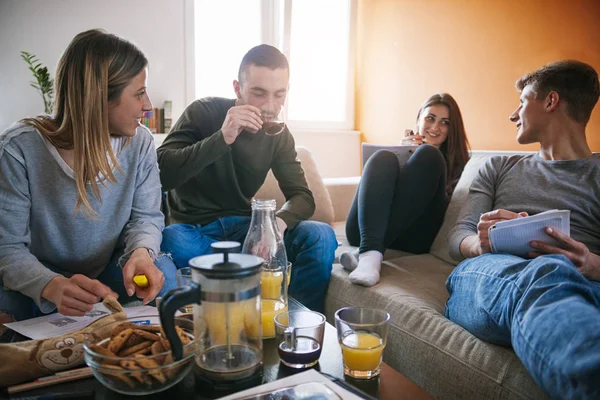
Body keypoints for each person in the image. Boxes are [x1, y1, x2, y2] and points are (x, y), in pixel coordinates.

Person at [0, 29, 177, 328]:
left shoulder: (141, 143)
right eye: (138, 94)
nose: (147, 105)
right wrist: (52, 286)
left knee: (166, 277)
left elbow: (146, 217)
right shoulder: (18, 149)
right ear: (99, 99)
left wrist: (142, 252)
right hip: (43, 276)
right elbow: (8, 248)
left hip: (109, 271)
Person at [446, 60, 600, 399]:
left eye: (522, 101)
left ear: (550, 101)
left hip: (588, 286)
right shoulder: (498, 167)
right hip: (492, 276)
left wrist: (590, 262)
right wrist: (485, 241)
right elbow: (458, 238)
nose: (513, 115)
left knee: (556, 271)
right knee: (547, 271)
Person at [157, 44, 337, 312]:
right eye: (259, 93)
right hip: (195, 231)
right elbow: (161, 174)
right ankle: (249, 275)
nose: (270, 106)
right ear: (237, 88)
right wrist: (223, 137)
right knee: (171, 240)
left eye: (280, 94)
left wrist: (274, 226)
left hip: (247, 230)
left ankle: (291, 321)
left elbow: (302, 197)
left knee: (320, 234)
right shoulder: (203, 112)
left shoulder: (279, 135)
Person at [340, 93, 470, 286]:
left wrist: (426, 168)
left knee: (429, 155)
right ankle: (370, 253)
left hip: (414, 235)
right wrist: (404, 161)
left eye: (445, 122)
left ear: (453, 129)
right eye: (430, 118)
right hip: (363, 230)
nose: (435, 127)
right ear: (418, 120)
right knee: (383, 156)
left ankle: (368, 254)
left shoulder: (463, 165)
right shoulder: (397, 155)